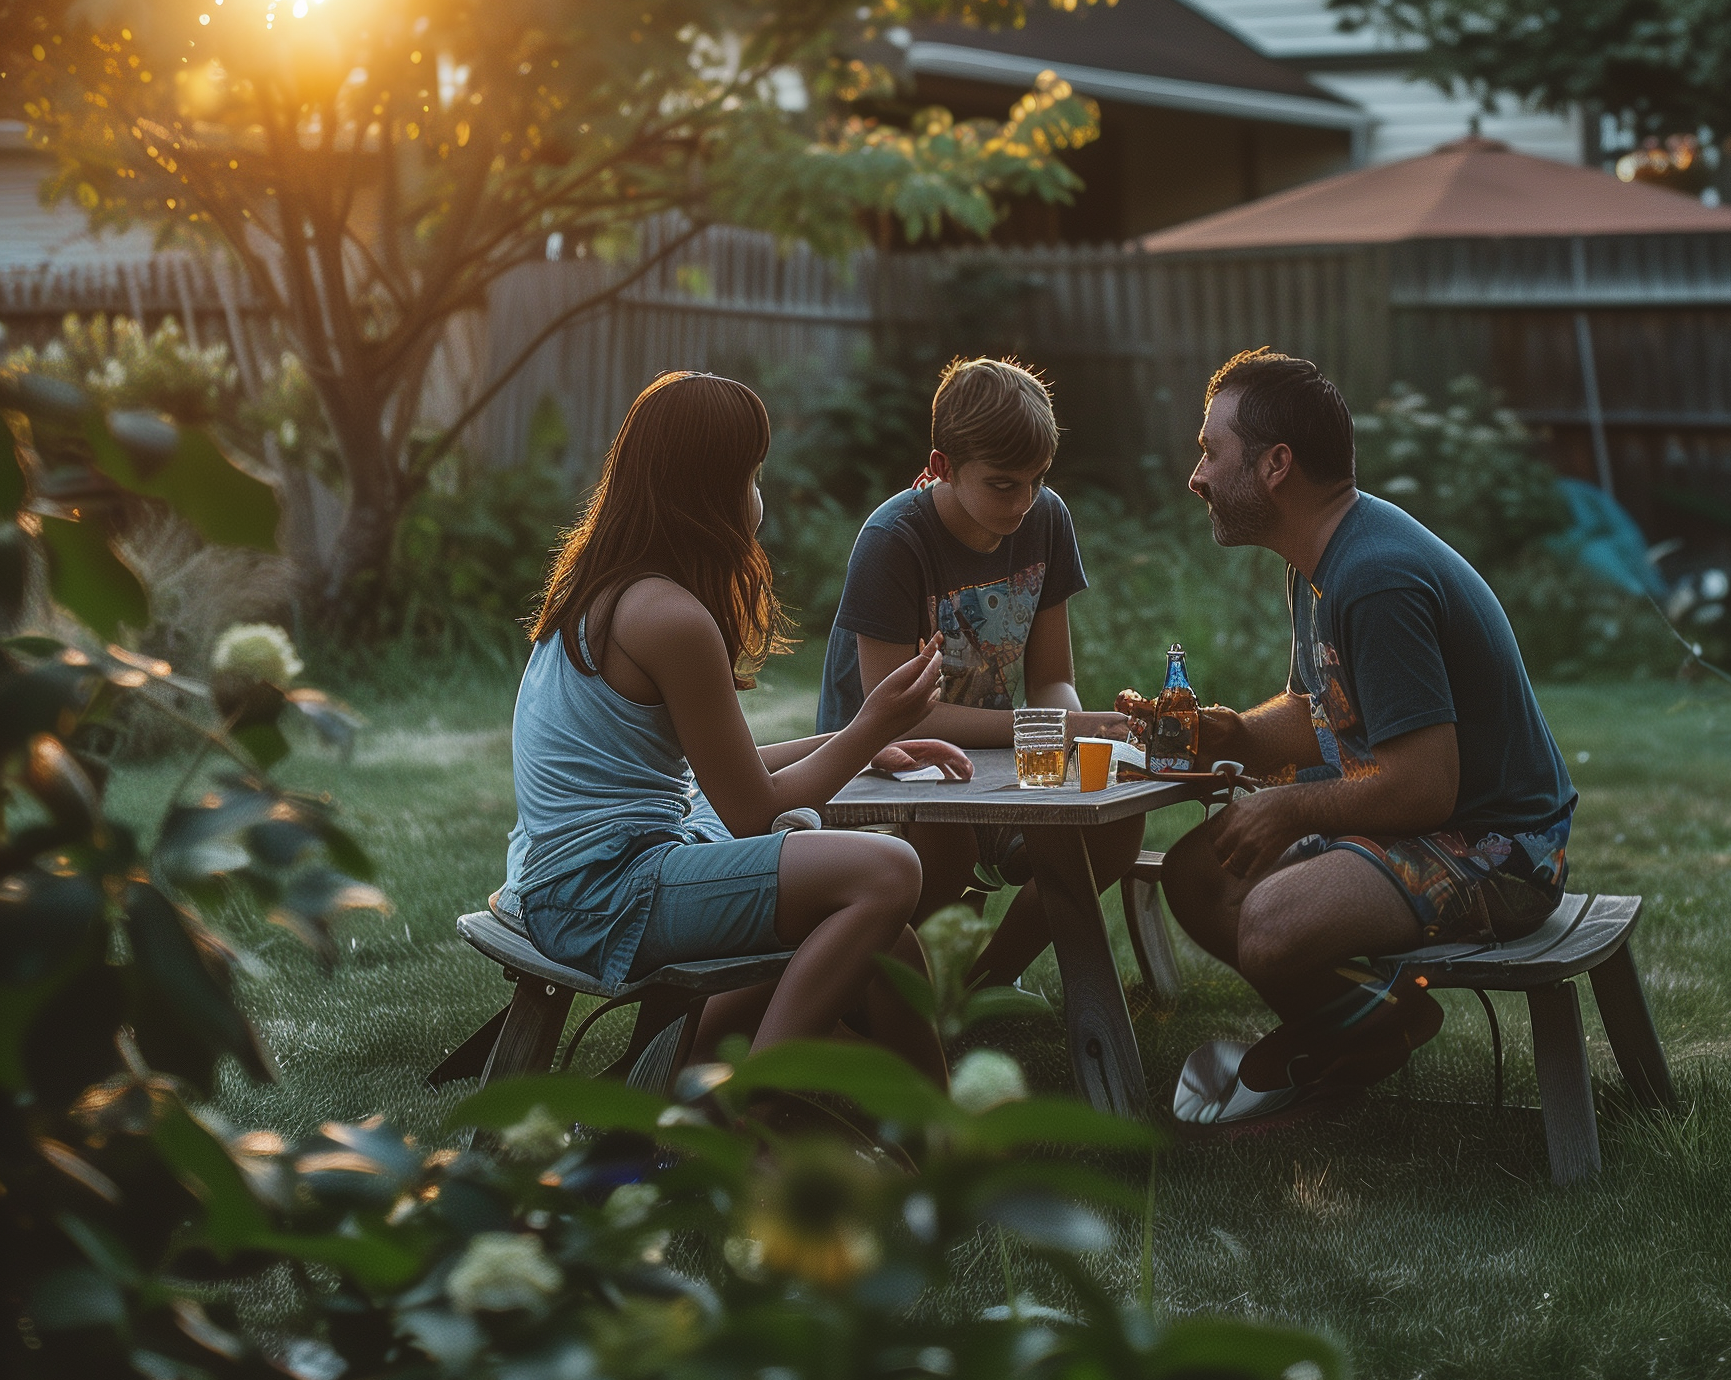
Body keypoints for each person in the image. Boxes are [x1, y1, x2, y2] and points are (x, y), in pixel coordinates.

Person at [506, 369, 972, 1085]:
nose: (760, 494)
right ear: (711, 487)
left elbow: (722, 773)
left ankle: (929, 1138)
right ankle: (744, 1111)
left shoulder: (602, 588)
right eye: (753, 474)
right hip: (602, 893)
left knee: (886, 931)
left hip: (582, 873)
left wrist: (865, 739)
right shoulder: (669, 618)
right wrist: (872, 721)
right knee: (887, 871)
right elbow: (754, 813)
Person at [1162, 349, 1577, 1127]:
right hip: (1430, 824)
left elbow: (1427, 785)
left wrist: (1288, 811)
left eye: (1210, 452)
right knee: (1195, 874)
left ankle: (1364, 1034)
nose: (1199, 476)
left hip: (1498, 844)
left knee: (1272, 923)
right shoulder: (1319, 559)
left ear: (1277, 465)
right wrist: (1232, 735)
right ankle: (1370, 1024)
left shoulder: (1375, 577)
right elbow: (1316, 708)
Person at [814, 355, 1139, 985]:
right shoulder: (894, 541)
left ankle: (982, 985)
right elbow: (901, 722)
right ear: (942, 467)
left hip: (986, 757)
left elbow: (1050, 677)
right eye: (1002, 484)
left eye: (1038, 478)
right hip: (881, 769)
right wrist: (1056, 729)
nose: (1024, 500)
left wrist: (1077, 730)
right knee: (946, 844)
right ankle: (879, 989)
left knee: (1114, 825)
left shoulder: (1047, 518)